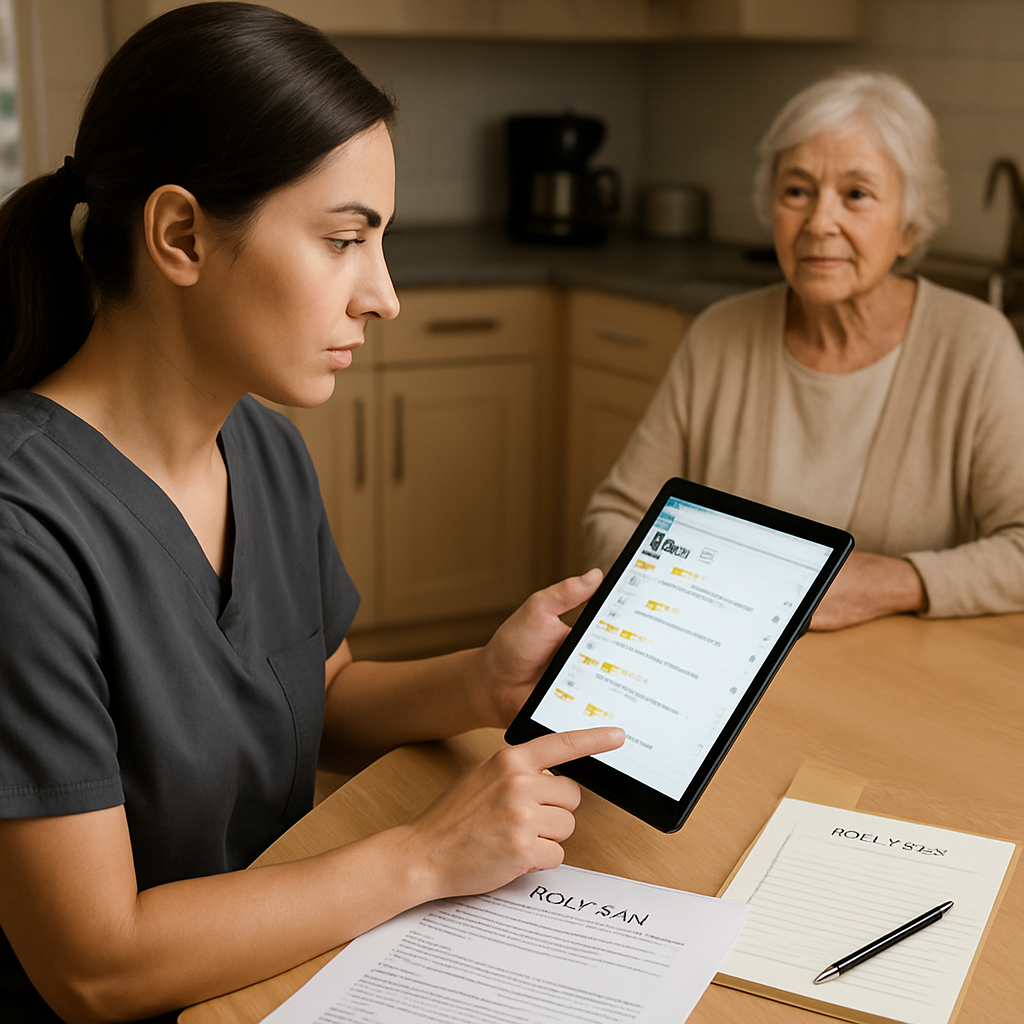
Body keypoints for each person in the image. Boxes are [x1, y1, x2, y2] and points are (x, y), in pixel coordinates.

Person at [0, 5, 624, 1022]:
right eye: (344, 240)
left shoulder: (263, 449)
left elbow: (316, 696)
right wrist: (424, 855)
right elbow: (93, 967)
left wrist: (477, 679)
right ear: (181, 235)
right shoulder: (21, 531)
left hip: (275, 975)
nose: (383, 295)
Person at [584, 70, 1024, 629]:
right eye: (797, 191)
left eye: (856, 195)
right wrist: (722, 587)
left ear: (909, 226)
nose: (819, 222)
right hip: (725, 665)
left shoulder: (977, 347)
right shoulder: (719, 334)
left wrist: (892, 582)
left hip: (906, 686)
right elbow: (613, 518)